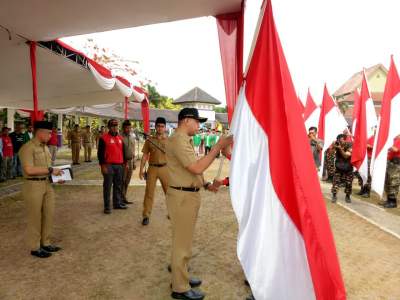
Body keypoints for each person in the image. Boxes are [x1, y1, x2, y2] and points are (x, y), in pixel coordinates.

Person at [166, 108, 232, 300]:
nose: (199, 125)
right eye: (197, 122)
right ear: (186, 120)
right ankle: (180, 287)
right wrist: (218, 147)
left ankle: (181, 276)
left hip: (186, 195)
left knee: (183, 241)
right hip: (183, 197)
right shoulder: (178, 139)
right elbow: (197, 166)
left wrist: (205, 184)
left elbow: (191, 170)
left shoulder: (182, 139)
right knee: (182, 244)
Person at [19, 121, 64, 258]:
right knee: (35, 217)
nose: (51, 136)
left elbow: (47, 168)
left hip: (47, 184)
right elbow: (29, 169)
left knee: (48, 215)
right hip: (33, 186)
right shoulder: (27, 148)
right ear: (40, 132)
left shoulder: (45, 148)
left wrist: (56, 177)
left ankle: (46, 242)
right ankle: (35, 247)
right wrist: (50, 170)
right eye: (49, 133)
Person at [139, 117, 169, 226]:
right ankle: (146, 215)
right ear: (155, 127)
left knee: (169, 192)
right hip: (152, 168)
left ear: (165, 128)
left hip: (165, 169)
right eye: (158, 126)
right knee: (149, 192)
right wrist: (141, 169)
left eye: (162, 126)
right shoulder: (149, 140)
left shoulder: (169, 141)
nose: (160, 128)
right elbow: (145, 155)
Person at [98, 119, 127, 214]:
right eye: (112, 126)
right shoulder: (103, 138)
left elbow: (123, 152)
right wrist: (103, 166)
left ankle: (117, 203)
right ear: (109, 127)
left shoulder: (120, 138)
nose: (115, 128)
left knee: (118, 186)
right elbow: (100, 154)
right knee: (107, 186)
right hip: (108, 165)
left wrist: (124, 164)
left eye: (116, 126)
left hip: (119, 165)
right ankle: (107, 207)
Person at [331, 134, 353, 203]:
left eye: (342, 140)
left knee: (348, 183)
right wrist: (333, 147)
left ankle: (347, 196)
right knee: (335, 182)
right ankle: (334, 196)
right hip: (338, 167)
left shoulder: (349, 145)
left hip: (348, 167)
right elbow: (330, 153)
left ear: (345, 139)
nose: (341, 142)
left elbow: (346, 156)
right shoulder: (337, 144)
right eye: (340, 140)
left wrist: (340, 148)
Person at [383, 135, 400, 208]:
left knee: (393, 182)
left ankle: (393, 202)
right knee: (388, 181)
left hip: (396, 164)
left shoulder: (398, 140)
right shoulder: (395, 139)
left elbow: (396, 149)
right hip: (391, 162)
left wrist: (387, 145)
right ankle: (389, 199)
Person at [121, 120, 136, 205]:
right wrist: (124, 163)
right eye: (127, 128)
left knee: (127, 180)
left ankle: (124, 197)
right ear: (123, 128)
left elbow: (133, 150)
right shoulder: (120, 137)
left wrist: (133, 162)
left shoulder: (132, 136)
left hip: (130, 161)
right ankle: (120, 198)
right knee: (122, 181)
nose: (128, 129)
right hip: (123, 162)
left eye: (129, 127)